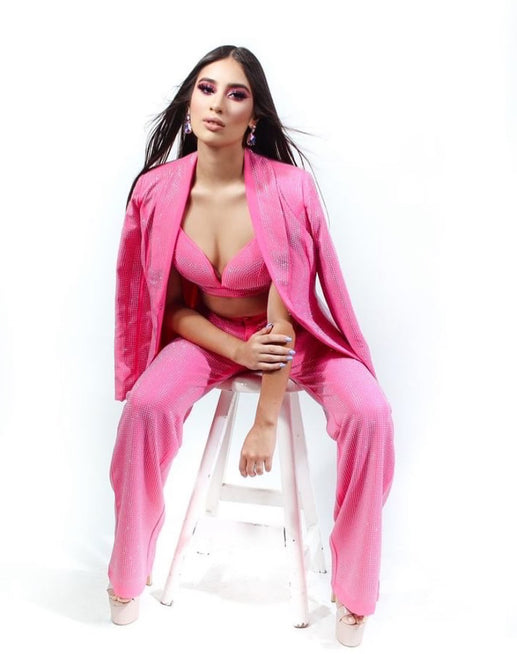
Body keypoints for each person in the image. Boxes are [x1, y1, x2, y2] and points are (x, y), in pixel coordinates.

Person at [107, 44, 394, 647]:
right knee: (146, 409)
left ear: (254, 116)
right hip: (210, 335)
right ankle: (127, 572)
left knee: (370, 413)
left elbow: (283, 313)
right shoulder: (157, 191)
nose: (218, 104)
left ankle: (355, 589)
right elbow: (172, 307)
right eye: (206, 89)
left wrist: (265, 422)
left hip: (292, 333)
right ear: (190, 105)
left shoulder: (289, 189)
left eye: (235, 94)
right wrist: (234, 351)